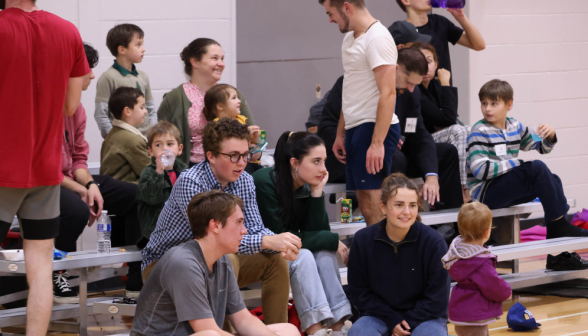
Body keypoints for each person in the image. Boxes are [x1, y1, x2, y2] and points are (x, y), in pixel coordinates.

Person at [141, 118, 301, 325]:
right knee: (224, 258)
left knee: (275, 260)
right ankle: (221, 331)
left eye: (245, 155)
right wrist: (266, 241)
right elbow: (211, 240)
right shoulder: (191, 182)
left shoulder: (245, 180)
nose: (242, 162)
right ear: (211, 156)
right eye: (233, 156)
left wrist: (279, 242)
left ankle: (275, 330)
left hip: (208, 264)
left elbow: (254, 228)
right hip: (163, 266)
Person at [0, 0, 90, 334]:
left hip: (3, 167)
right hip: (45, 168)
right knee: (40, 272)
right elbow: (71, 104)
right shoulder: (68, 31)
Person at [131, 190, 300, 336]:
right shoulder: (183, 263)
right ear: (215, 225)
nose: (245, 230)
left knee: (288, 330)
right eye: (239, 222)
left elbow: (243, 320)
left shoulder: (222, 259)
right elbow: (206, 329)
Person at [55, 43, 144, 302]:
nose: (92, 76)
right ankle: (56, 273)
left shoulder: (78, 111)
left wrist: (91, 185)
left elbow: (78, 160)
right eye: (87, 70)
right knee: (76, 209)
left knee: (136, 195)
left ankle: (135, 277)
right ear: (69, 72)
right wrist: (79, 189)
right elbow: (43, 168)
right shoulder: (43, 109)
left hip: (71, 178)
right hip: (45, 182)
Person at [253, 132, 352, 336]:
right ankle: (315, 330)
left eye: (324, 161)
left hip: (289, 252)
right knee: (305, 255)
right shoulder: (264, 182)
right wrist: (332, 239)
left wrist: (316, 193)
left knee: (324, 255)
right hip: (258, 252)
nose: (324, 170)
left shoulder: (307, 185)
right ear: (295, 163)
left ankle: (339, 326)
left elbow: (318, 232)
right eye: (316, 161)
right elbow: (281, 238)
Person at [468, 79, 587, 239]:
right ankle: (559, 227)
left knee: (553, 180)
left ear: (509, 105)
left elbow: (541, 147)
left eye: (494, 103)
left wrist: (550, 135)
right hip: (485, 193)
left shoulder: (514, 126)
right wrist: (517, 164)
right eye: (484, 103)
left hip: (504, 187)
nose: (487, 109)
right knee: (536, 168)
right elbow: (480, 170)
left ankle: (556, 241)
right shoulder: (479, 130)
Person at [318, 0, 400, 225]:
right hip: (356, 127)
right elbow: (351, 89)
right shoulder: (349, 38)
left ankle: (386, 257)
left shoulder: (378, 38)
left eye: (331, 13)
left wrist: (377, 142)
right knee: (364, 201)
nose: (330, 20)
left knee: (373, 201)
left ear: (346, 7)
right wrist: (341, 132)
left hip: (373, 126)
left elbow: (389, 94)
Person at [347, 173, 450, 336]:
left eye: (413, 205)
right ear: (383, 207)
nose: (407, 212)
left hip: (425, 318)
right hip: (378, 315)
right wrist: (392, 319)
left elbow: (437, 299)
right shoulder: (363, 240)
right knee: (359, 332)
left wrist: (406, 324)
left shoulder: (434, 243)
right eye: (399, 205)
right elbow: (360, 294)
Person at [157, 38, 256, 167]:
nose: (221, 64)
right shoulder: (174, 99)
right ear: (195, 62)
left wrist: (254, 145)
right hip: (190, 168)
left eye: (222, 58)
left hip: (230, 166)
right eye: (214, 58)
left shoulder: (233, 95)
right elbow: (160, 141)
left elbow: (253, 135)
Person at [441, 202, 512, 336]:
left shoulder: (456, 252)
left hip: (460, 309)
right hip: (476, 313)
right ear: (487, 231)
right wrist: (506, 292)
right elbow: (493, 284)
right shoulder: (480, 261)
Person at [412, 41, 470, 202]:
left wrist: (443, 86)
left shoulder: (434, 87)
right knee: (458, 131)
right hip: (420, 145)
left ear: (436, 64)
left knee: (472, 129)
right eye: (420, 61)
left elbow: (449, 117)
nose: (424, 66)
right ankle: (463, 189)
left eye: (429, 61)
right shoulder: (414, 89)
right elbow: (448, 119)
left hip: (437, 139)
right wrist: (446, 83)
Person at [95, 23, 156, 138]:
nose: (143, 49)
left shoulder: (143, 76)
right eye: (138, 45)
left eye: (142, 44)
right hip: (124, 139)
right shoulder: (108, 78)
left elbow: (151, 108)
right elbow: (101, 115)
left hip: (147, 139)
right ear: (122, 49)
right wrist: (113, 138)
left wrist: (153, 134)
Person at [395, 0, 485, 77]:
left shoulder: (440, 22)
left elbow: (479, 45)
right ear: (406, 0)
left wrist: (461, 17)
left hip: (443, 90)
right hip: (416, 92)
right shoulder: (400, 31)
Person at [136, 121, 187, 246]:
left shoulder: (185, 171)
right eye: (158, 145)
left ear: (179, 149)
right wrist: (159, 172)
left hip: (181, 231)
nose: (165, 148)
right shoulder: (148, 173)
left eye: (170, 144)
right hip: (156, 233)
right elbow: (152, 198)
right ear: (151, 151)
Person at [202, 84, 263, 174]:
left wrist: (254, 138)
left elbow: (250, 145)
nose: (239, 101)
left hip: (249, 162)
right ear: (220, 106)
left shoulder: (241, 119)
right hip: (232, 165)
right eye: (234, 98)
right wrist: (245, 135)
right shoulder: (216, 126)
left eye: (238, 98)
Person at [100, 87, 151, 183]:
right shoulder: (132, 140)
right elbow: (149, 172)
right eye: (141, 107)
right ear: (127, 111)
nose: (145, 111)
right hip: (128, 189)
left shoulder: (114, 133)